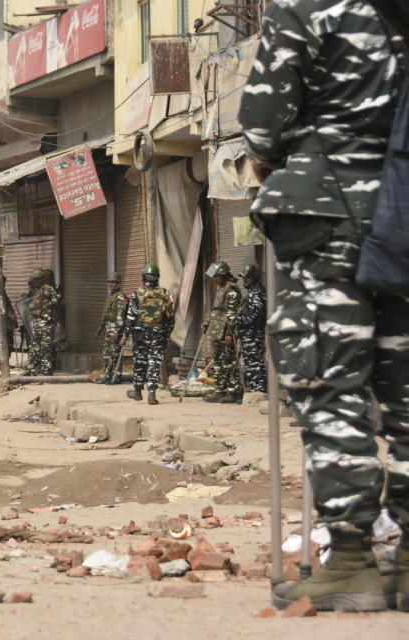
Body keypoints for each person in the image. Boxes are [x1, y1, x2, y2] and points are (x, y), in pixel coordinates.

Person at [239, 0, 408, 612]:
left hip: (330, 215)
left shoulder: (310, 10)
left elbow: (262, 128)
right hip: (404, 211)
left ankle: (355, 561)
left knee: (332, 381)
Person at [123, 264, 174, 405]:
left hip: (140, 332)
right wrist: (167, 333)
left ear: (143, 277)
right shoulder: (166, 293)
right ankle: (152, 394)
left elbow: (131, 317)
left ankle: (137, 391)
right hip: (159, 332)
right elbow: (170, 317)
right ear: (157, 277)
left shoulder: (137, 293)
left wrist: (125, 335)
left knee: (140, 362)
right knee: (154, 363)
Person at [202, 261, 243, 404]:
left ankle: (232, 392)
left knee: (229, 362)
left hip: (226, 332)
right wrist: (209, 322)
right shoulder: (221, 288)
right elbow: (218, 310)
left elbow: (231, 315)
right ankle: (219, 390)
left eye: (215, 276)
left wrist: (229, 334)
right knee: (218, 362)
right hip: (217, 330)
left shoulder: (231, 290)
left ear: (223, 275)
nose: (213, 279)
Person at [234, 264, 267, 394]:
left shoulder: (257, 294)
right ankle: (255, 389)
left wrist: (235, 321)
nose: (244, 280)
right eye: (244, 278)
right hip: (248, 335)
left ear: (255, 278)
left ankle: (260, 390)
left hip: (253, 335)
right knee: (251, 364)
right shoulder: (252, 293)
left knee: (255, 364)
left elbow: (251, 317)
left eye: (247, 278)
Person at [24, 269, 60, 376]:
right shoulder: (38, 290)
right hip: (38, 322)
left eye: (37, 279)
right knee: (34, 346)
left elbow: (56, 299)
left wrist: (45, 304)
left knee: (45, 347)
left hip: (46, 322)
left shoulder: (48, 289)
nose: (35, 281)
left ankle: (46, 370)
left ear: (42, 279)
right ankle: (31, 369)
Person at [97, 272, 127, 384]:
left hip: (115, 329)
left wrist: (117, 331)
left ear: (118, 283)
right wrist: (101, 328)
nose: (111, 284)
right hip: (109, 328)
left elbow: (120, 315)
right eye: (109, 282)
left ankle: (116, 376)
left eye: (113, 282)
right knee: (107, 354)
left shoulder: (120, 297)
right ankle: (107, 375)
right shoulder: (111, 296)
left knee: (115, 353)